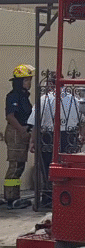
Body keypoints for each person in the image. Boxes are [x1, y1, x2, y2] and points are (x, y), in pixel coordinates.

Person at [28, 75, 82, 209]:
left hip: (48, 136)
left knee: (48, 167)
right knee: (67, 168)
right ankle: (66, 196)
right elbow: (82, 121)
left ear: (51, 84)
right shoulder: (74, 100)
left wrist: (32, 141)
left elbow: (35, 123)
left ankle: (48, 198)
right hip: (69, 136)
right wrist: (82, 135)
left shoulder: (44, 99)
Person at [5, 64, 33, 208]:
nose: (29, 83)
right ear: (19, 81)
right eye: (26, 80)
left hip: (22, 132)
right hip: (16, 133)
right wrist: (22, 130)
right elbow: (10, 116)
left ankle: (14, 196)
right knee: (15, 166)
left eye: (30, 80)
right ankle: (11, 198)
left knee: (19, 166)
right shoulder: (13, 96)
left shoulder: (23, 96)